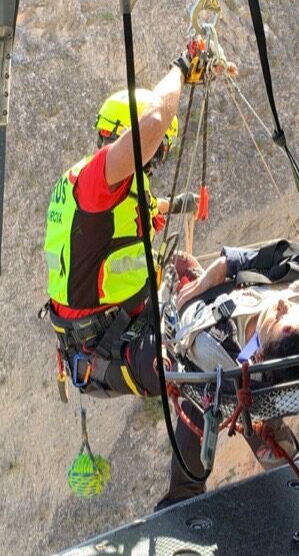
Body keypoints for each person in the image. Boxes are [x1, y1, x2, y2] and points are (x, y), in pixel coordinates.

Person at [42, 44, 209, 506]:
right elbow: (154, 123)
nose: (155, 165)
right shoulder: (98, 183)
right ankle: (184, 499)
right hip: (107, 350)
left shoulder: (97, 191)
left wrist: (177, 207)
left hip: (111, 337)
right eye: (154, 157)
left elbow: (138, 216)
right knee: (202, 368)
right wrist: (181, 68)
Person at [164, 239, 299, 504]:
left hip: (225, 356)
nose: (284, 303)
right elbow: (294, 253)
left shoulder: (216, 343)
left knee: (231, 404)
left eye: (279, 322)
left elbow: (183, 326)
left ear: (260, 354)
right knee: (241, 408)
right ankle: (287, 469)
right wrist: (228, 264)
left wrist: (201, 288)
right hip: (243, 351)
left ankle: (183, 495)